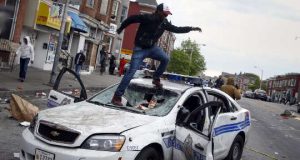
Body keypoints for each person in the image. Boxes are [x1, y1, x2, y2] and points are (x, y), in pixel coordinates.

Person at [111, 3, 202, 106]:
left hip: (152, 48)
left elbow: (176, 29)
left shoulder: (164, 23)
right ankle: (117, 96)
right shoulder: (148, 18)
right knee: (131, 72)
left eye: (167, 15)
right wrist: (121, 28)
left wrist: (191, 28)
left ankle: (156, 78)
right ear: (158, 11)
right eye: (164, 14)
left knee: (165, 59)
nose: (165, 16)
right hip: (140, 49)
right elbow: (131, 19)